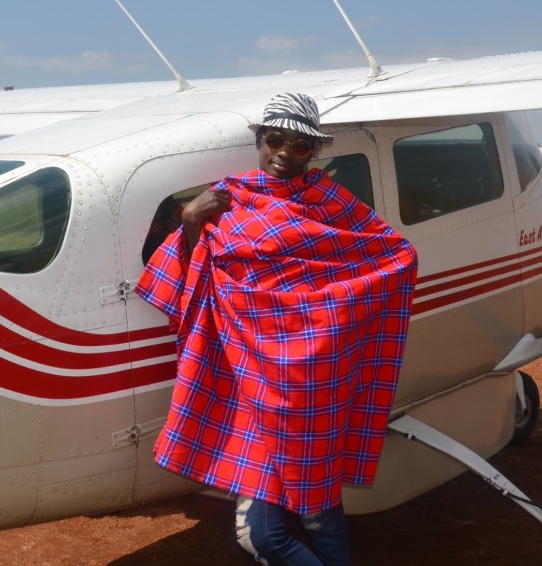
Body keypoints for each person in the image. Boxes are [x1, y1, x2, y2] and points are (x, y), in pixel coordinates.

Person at [136, 92, 418, 565]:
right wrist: (190, 220)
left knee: (297, 518)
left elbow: (397, 256)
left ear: (315, 152)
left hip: (313, 380)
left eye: (300, 145)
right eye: (275, 139)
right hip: (248, 379)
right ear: (260, 141)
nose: (285, 151)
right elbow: (191, 276)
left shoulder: (332, 204)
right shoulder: (226, 200)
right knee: (299, 516)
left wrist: (330, 315)